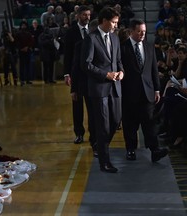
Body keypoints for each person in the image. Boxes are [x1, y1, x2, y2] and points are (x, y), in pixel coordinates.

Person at [81, 7, 124, 173]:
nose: (115, 26)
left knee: (115, 122)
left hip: (115, 88)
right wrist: (105, 74)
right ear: (104, 21)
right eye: (113, 22)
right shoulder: (90, 39)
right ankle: (104, 162)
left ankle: (100, 143)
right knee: (103, 127)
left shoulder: (115, 37)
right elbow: (85, 64)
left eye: (116, 23)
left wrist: (121, 72)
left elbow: (118, 60)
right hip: (99, 89)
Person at [120, 19, 168, 162]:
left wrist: (157, 90)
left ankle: (155, 150)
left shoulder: (149, 47)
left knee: (150, 123)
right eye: (139, 31)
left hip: (147, 92)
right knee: (130, 124)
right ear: (131, 31)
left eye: (144, 32)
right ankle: (130, 150)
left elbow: (153, 70)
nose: (142, 34)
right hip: (129, 93)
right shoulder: (122, 48)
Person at [63, 5, 93, 145]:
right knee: (77, 106)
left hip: (91, 74)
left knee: (92, 106)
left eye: (88, 15)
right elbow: (68, 54)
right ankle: (79, 133)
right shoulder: (71, 31)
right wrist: (66, 73)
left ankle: (93, 133)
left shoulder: (93, 31)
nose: (87, 17)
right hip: (77, 74)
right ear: (78, 15)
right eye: (84, 15)